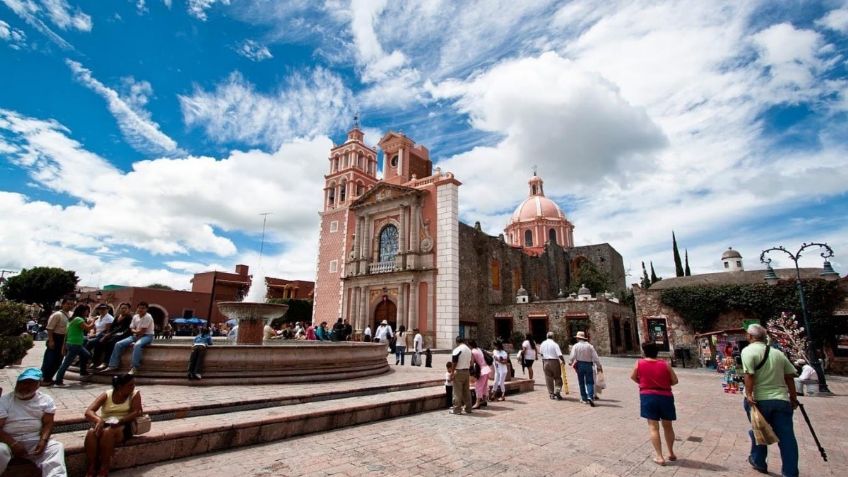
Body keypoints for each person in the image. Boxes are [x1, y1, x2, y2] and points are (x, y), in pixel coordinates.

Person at [741, 324, 799, 477]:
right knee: (787, 438)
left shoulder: (748, 351)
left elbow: (749, 374)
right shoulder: (778, 353)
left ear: (750, 336)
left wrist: (749, 394)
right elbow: (790, 376)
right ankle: (790, 472)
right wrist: (793, 397)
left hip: (759, 400)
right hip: (781, 399)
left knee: (758, 430)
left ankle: (759, 461)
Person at [0, 368, 67, 477]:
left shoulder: (45, 400)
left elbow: (48, 423)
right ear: (17, 383)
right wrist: (13, 444)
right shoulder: (4, 401)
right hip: (7, 441)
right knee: (0, 451)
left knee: (55, 447)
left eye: (30, 383)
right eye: (22, 383)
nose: (25, 386)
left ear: (38, 385)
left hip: (34, 440)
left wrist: (43, 441)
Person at [83, 374, 142, 477]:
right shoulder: (107, 395)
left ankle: (104, 467)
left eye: (133, 384)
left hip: (125, 424)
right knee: (91, 433)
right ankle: (91, 467)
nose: (133, 387)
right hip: (106, 423)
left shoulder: (134, 394)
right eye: (130, 385)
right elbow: (89, 411)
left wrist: (120, 420)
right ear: (120, 386)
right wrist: (98, 420)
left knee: (107, 433)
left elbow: (136, 412)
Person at [631, 342, 679, 466]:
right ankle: (671, 453)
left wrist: (643, 383)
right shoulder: (665, 364)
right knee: (668, 426)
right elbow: (675, 380)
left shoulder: (639, 363)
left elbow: (633, 376)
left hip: (648, 396)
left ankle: (659, 456)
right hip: (665, 396)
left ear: (644, 351)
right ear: (657, 352)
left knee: (653, 427)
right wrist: (664, 384)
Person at [103, 302, 155, 375]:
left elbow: (142, 331)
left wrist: (135, 333)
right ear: (137, 308)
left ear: (146, 309)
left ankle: (134, 367)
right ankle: (113, 365)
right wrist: (136, 332)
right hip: (135, 335)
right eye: (139, 308)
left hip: (147, 336)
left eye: (143, 308)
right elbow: (131, 329)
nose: (141, 309)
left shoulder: (148, 317)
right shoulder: (135, 316)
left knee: (137, 345)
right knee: (118, 344)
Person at [54, 306, 96, 386]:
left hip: (73, 343)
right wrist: (93, 320)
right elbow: (88, 328)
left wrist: (64, 346)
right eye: (87, 311)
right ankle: (58, 381)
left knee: (87, 354)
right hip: (75, 344)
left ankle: (83, 371)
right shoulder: (78, 319)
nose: (88, 313)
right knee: (66, 363)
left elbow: (66, 334)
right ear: (82, 311)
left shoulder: (71, 320)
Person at [40, 298, 74, 386]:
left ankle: (49, 378)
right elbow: (50, 328)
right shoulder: (57, 314)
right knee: (49, 359)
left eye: (71, 304)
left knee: (59, 360)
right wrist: (51, 340)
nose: (70, 306)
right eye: (68, 304)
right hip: (56, 337)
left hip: (64, 339)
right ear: (63, 304)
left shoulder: (71, 315)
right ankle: (43, 378)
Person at [568, 331, 603, 406]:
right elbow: (595, 357)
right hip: (588, 365)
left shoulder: (576, 346)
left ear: (578, 338)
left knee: (581, 382)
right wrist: (599, 365)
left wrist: (570, 362)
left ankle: (584, 398)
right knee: (590, 381)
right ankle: (590, 396)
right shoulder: (590, 346)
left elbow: (572, 356)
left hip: (580, 364)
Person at [94, 304, 132, 370]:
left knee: (111, 342)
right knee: (99, 340)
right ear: (120, 309)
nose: (123, 310)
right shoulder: (117, 317)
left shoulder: (129, 318)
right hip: (114, 334)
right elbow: (112, 326)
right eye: (122, 308)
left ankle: (105, 362)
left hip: (123, 335)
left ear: (128, 310)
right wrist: (107, 334)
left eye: (125, 308)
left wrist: (109, 334)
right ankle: (95, 361)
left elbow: (122, 328)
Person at [449, 336, 473, 415]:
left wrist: (452, 372)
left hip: (459, 372)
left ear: (457, 342)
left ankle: (457, 409)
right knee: (466, 391)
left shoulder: (457, 349)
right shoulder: (469, 350)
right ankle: (468, 408)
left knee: (457, 392)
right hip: (466, 372)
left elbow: (454, 362)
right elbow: (471, 362)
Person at [539, 332, 566, 400]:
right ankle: (557, 391)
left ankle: (551, 394)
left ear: (547, 336)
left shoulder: (542, 344)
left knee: (548, 378)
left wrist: (544, 360)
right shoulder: (554, 344)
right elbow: (559, 354)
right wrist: (563, 360)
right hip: (554, 361)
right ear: (553, 337)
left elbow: (541, 354)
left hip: (545, 361)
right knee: (557, 378)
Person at [468, 340, 491, 409]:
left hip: (482, 370)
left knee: (478, 386)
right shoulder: (479, 349)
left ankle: (477, 403)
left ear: (470, 345)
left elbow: (471, 363)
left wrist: (470, 370)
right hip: (487, 368)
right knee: (484, 385)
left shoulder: (473, 351)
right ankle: (484, 400)